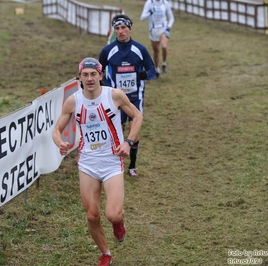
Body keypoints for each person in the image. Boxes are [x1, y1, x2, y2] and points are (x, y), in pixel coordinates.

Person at [52, 57, 143, 266]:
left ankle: (118, 222)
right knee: (92, 216)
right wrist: (60, 143)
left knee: (112, 213)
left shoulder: (114, 96)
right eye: (85, 75)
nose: (90, 78)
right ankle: (106, 254)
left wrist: (128, 142)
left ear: (101, 75)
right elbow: (56, 130)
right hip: (88, 163)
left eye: (94, 74)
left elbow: (137, 117)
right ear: (79, 78)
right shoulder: (73, 101)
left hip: (112, 161)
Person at [99, 14, 156, 179]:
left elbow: (152, 69)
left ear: (130, 29)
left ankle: (132, 166)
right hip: (115, 99)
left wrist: (144, 75)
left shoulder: (140, 49)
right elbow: (99, 71)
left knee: (134, 132)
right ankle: (116, 164)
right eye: (117, 28)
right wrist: (105, 83)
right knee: (116, 131)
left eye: (123, 27)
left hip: (134, 98)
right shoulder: (108, 50)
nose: (121, 31)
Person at [140, 0, 175, 76]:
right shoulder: (149, 3)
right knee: (156, 52)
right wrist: (150, 12)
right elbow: (142, 18)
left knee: (164, 46)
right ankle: (157, 69)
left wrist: (168, 28)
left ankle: (164, 64)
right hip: (153, 30)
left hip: (163, 28)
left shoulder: (165, 3)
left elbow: (171, 18)